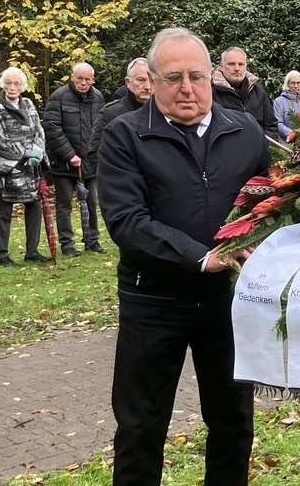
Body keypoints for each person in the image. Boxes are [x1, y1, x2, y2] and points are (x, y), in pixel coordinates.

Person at [99, 28, 269, 486]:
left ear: (212, 76)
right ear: (152, 81)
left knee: (233, 420)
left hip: (227, 302)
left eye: (196, 76)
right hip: (153, 302)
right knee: (140, 426)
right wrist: (201, 256)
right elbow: (127, 221)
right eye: (173, 78)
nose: (187, 89)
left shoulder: (245, 131)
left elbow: (273, 199)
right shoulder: (125, 136)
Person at [0, 67, 49, 265]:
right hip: (7, 166)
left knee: (34, 206)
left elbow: (38, 130)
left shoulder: (28, 104)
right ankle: (1, 255)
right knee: (4, 210)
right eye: (8, 83)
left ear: (22, 86)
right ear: (3, 85)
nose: (12, 87)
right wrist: (23, 155)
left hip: (30, 166)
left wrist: (37, 152)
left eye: (16, 83)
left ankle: (32, 251)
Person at [43, 62, 105, 257]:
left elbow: (101, 127)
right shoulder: (58, 97)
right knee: (64, 205)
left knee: (92, 202)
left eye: (88, 79)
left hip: (91, 162)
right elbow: (52, 128)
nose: (83, 83)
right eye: (80, 79)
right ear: (72, 77)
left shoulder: (98, 97)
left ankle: (92, 240)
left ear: (93, 80)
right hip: (63, 163)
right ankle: (67, 244)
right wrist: (70, 155)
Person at [92, 58, 153, 161]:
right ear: (128, 82)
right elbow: (94, 156)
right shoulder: (110, 114)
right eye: (141, 80)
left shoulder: (164, 113)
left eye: (151, 80)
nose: (147, 86)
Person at [211, 47, 276, 137]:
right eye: (231, 64)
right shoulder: (210, 93)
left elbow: (271, 126)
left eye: (241, 64)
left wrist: (264, 144)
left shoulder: (259, 93)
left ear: (246, 66)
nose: (237, 68)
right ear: (221, 66)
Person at [271, 70, 300, 141]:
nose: (296, 86)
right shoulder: (279, 102)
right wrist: (291, 133)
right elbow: (278, 123)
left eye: (298, 83)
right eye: (293, 83)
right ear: (287, 84)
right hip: (287, 142)